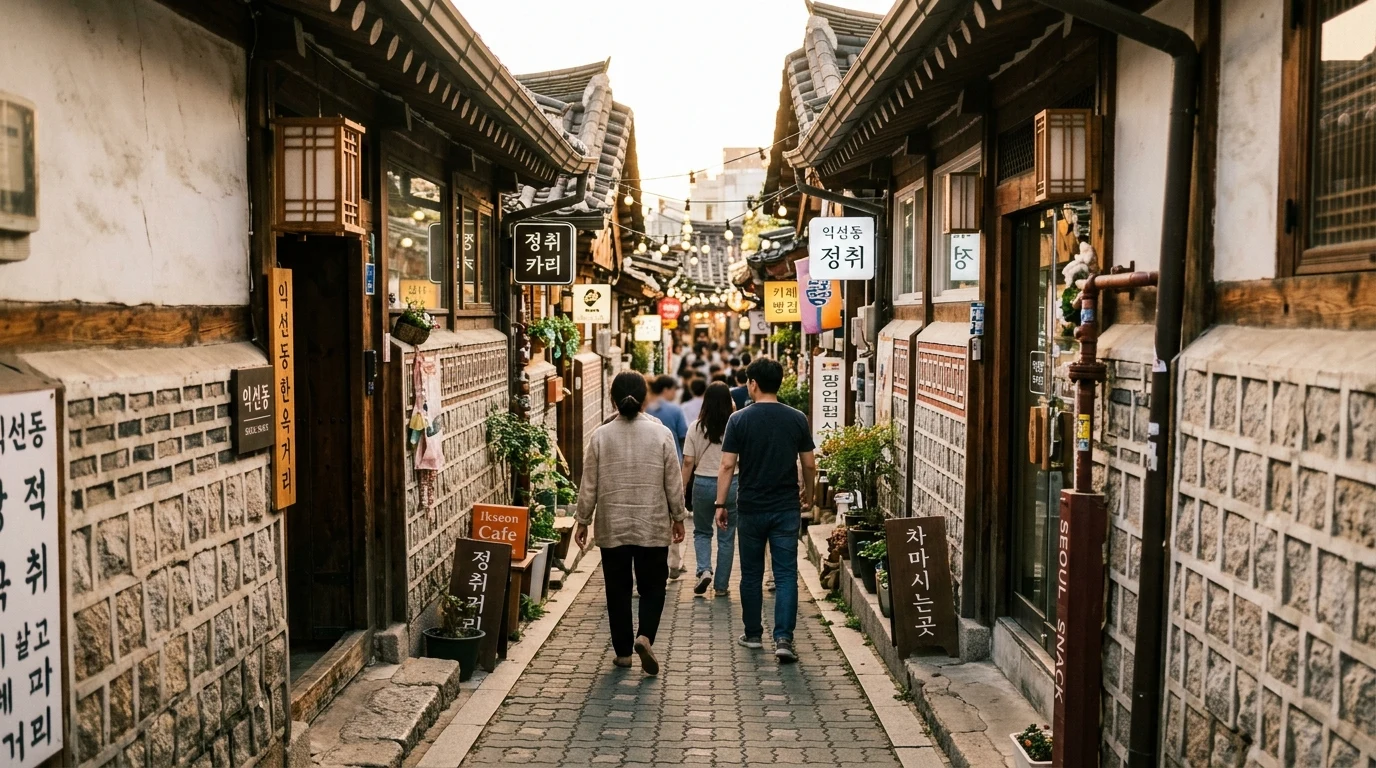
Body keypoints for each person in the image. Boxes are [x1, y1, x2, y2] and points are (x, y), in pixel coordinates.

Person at [574, 372, 687, 675]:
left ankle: (623, 653)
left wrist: (582, 520)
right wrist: (678, 516)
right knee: (653, 587)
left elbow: (589, 484)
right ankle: (645, 636)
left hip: (613, 526)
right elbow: (673, 481)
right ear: (645, 398)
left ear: (612, 399)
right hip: (652, 524)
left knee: (617, 590)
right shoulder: (661, 434)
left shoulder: (601, 435)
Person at [715, 358, 815, 663]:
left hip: (751, 507)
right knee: (785, 575)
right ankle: (784, 639)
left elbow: (727, 465)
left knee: (751, 574)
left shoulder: (739, 420)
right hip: (786, 507)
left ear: (753, 383)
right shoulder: (797, 418)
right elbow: (809, 464)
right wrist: (809, 496)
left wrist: (720, 504)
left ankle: (754, 634)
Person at [682, 382, 738, 597]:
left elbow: (688, 461)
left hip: (703, 484)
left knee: (702, 531)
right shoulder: (736, 425)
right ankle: (721, 586)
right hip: (732, 484)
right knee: (727, 536)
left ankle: (704, 570)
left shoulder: (696, 427)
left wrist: (681, 489)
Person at [645, 375, 688, 457]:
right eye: (674, 389)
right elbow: (683, 436)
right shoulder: (675, 410)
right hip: (673, 456)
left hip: (651, 456)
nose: (675, 393)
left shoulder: (646, 408)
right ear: (665, 390)